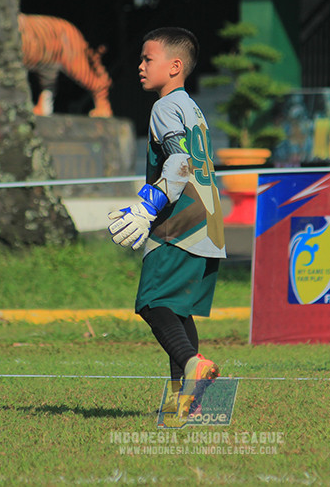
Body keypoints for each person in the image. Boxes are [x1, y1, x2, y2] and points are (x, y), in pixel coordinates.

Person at [107, 27, 226, 426]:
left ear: (174, 66)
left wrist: (146, 207)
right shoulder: (192, 107)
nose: (140, 66)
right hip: (209, 223)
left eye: (147, 59)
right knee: (178, 309)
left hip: (181, 222)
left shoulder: (163, 108)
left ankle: (193, 364)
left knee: (153, 303)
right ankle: (184, 403)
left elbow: (179, 163)